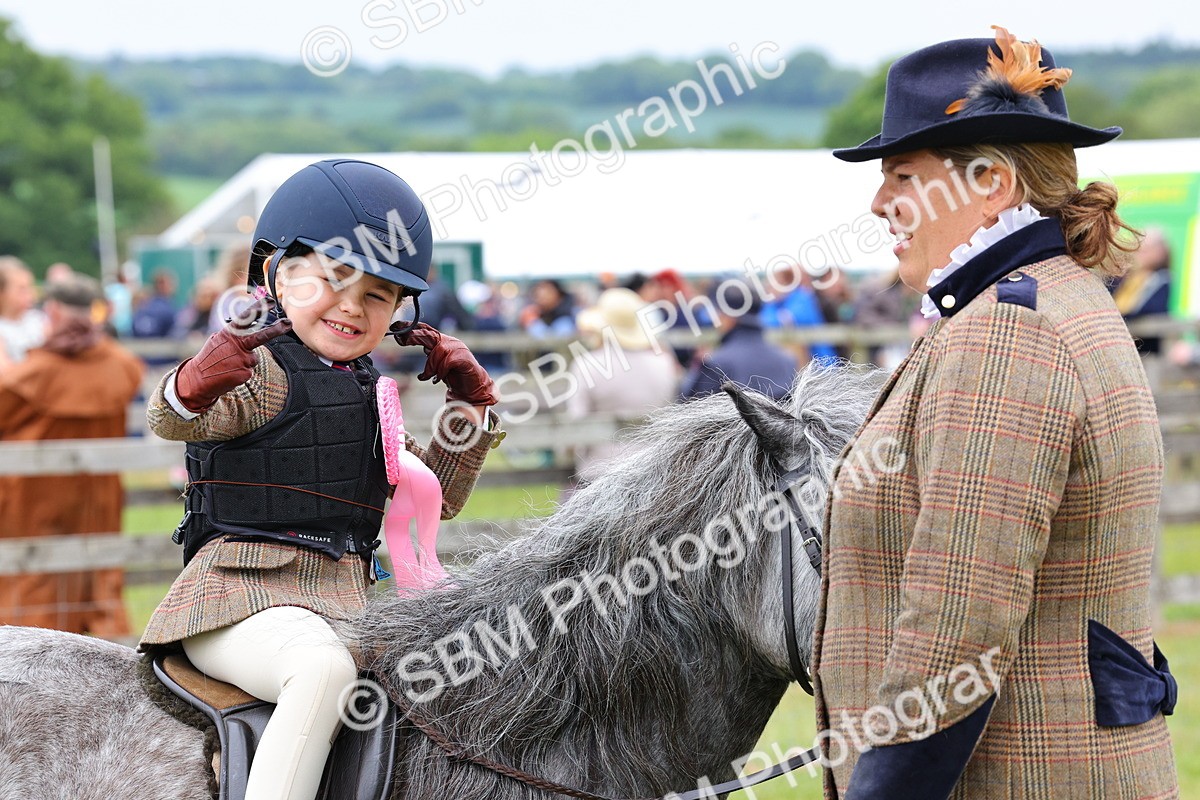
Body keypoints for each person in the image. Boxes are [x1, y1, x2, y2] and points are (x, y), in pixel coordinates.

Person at [813, 27, 1176, 798]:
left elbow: (957, 628)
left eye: (902, 175)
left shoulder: (1007, 332)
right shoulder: (1055, 298)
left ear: (988, 184)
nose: (880, 203)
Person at [136, 159, 503, 800]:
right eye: (333, 280)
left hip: (346, 607)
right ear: (278, 274)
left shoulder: (372, 394)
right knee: (320, 670)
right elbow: (175, 418)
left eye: (377, 295)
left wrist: (469, 407)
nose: (351, 307)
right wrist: (189, 384)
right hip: (236, 603)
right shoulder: (258, 372)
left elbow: (431, 496)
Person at [0, 275, 144, 636]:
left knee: (37, 578)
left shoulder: (35, 372)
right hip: (99, 492)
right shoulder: (121, 365)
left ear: (51, 311)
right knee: (97, 576)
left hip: (35, 494)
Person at [566, 288, 680, 482]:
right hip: (653, 471)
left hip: (600, 473)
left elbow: (576, 429)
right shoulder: (664, 363)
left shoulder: (586, 365)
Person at [679, 279, 796, 401]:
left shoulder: (716, 364)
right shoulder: (787, 361)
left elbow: (691, 410)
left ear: (729, 315)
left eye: (718, 311)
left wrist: (695, 368)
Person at [1113, 228, 1172, 354]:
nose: (1140, 253)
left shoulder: (1161, 279)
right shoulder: (1127, 278)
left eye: (1147, 250)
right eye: (1139, 250)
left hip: (1144, 346)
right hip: (1122, 339)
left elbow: (1154, 309)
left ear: (1160, 252)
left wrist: (1122, 317)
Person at [0, 256, 46, 372]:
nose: (30, 294)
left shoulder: (40, 320)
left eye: (30, 287)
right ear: (2, 293)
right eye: (22, 289)